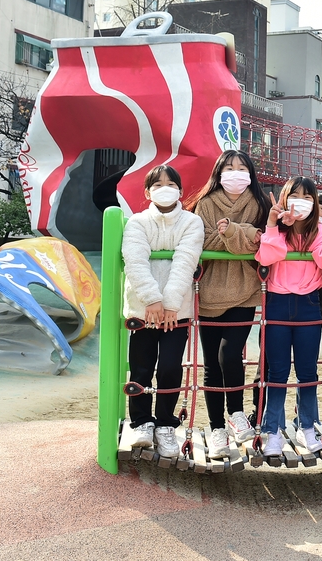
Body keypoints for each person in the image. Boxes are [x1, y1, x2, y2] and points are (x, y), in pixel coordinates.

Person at [185, 150, 270, 458]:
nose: (236, 173)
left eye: (242, 167)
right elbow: (201, 242)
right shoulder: (204, 204)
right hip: (209, 292)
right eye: (230, 167)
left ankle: (236, 412)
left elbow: (263, 241)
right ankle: (217, 427)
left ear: (250, 173)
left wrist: (231, 230)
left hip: (245, 289)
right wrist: (242, 236)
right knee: (211, 365)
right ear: (219, 172)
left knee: (229, 353)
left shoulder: (259, 204)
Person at [121, 165, 204, 457]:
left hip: (176, 310)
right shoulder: (137, 222)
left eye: (170, 183)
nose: (164, 188)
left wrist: (168, 303)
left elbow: (185, 262)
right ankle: (142, 422)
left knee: (170, 367)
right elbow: (135, 261)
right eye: (157, 184)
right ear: (147, 192)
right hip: (143, 309)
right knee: (141, 366)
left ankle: (166, 424)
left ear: (180, 191)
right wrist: (152, 301)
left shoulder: (192, 223)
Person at [255, 176, 322, 456]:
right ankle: (273, 431)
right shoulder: (277, 226)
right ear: (284, 197)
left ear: (315, 202)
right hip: (277, 301)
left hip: (307, 302)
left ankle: (307, 427)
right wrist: (273, 224)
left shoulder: (320, 227)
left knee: (307, 371)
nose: (300, 202)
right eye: (295, 195)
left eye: (307, 196)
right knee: (276, 371)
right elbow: (267, 257)